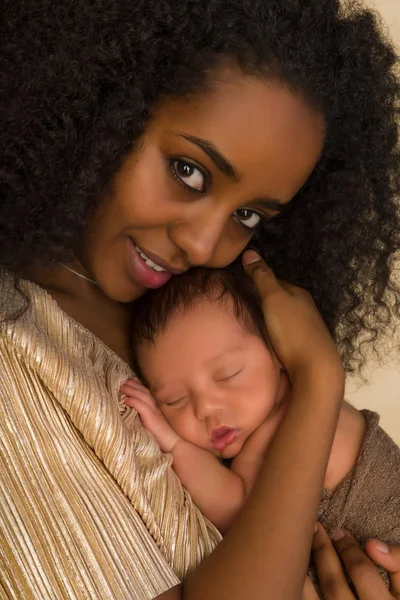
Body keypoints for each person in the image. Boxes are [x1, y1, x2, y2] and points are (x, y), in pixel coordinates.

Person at [1, 0, 400, 598]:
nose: (203, 243)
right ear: (101, 107)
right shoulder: (18, 344)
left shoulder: (202, 324)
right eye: (188, 171)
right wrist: (319, 379)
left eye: (247, 215)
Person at [122, 263, 400, 594]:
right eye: (175, 399)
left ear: (280, 352)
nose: (206, 408)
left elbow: (239, 511)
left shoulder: (300, 418)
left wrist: (171, 440)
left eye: (228, 375)